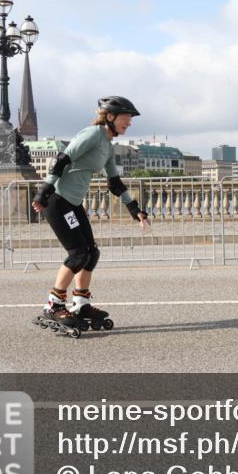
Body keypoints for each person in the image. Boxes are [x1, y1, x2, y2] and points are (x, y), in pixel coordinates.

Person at [31, 96, 150, 329]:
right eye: (127, 118)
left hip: (72, 203)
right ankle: (54, 304)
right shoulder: (93, 134)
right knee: (78, 254)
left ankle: (81, 303)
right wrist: (44, 191)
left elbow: (115, 183)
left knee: (91, 253)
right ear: (111, 116)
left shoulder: (106, 144)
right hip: (58, 200)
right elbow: (62, 159)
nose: (130, 123)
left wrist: (135, 209)